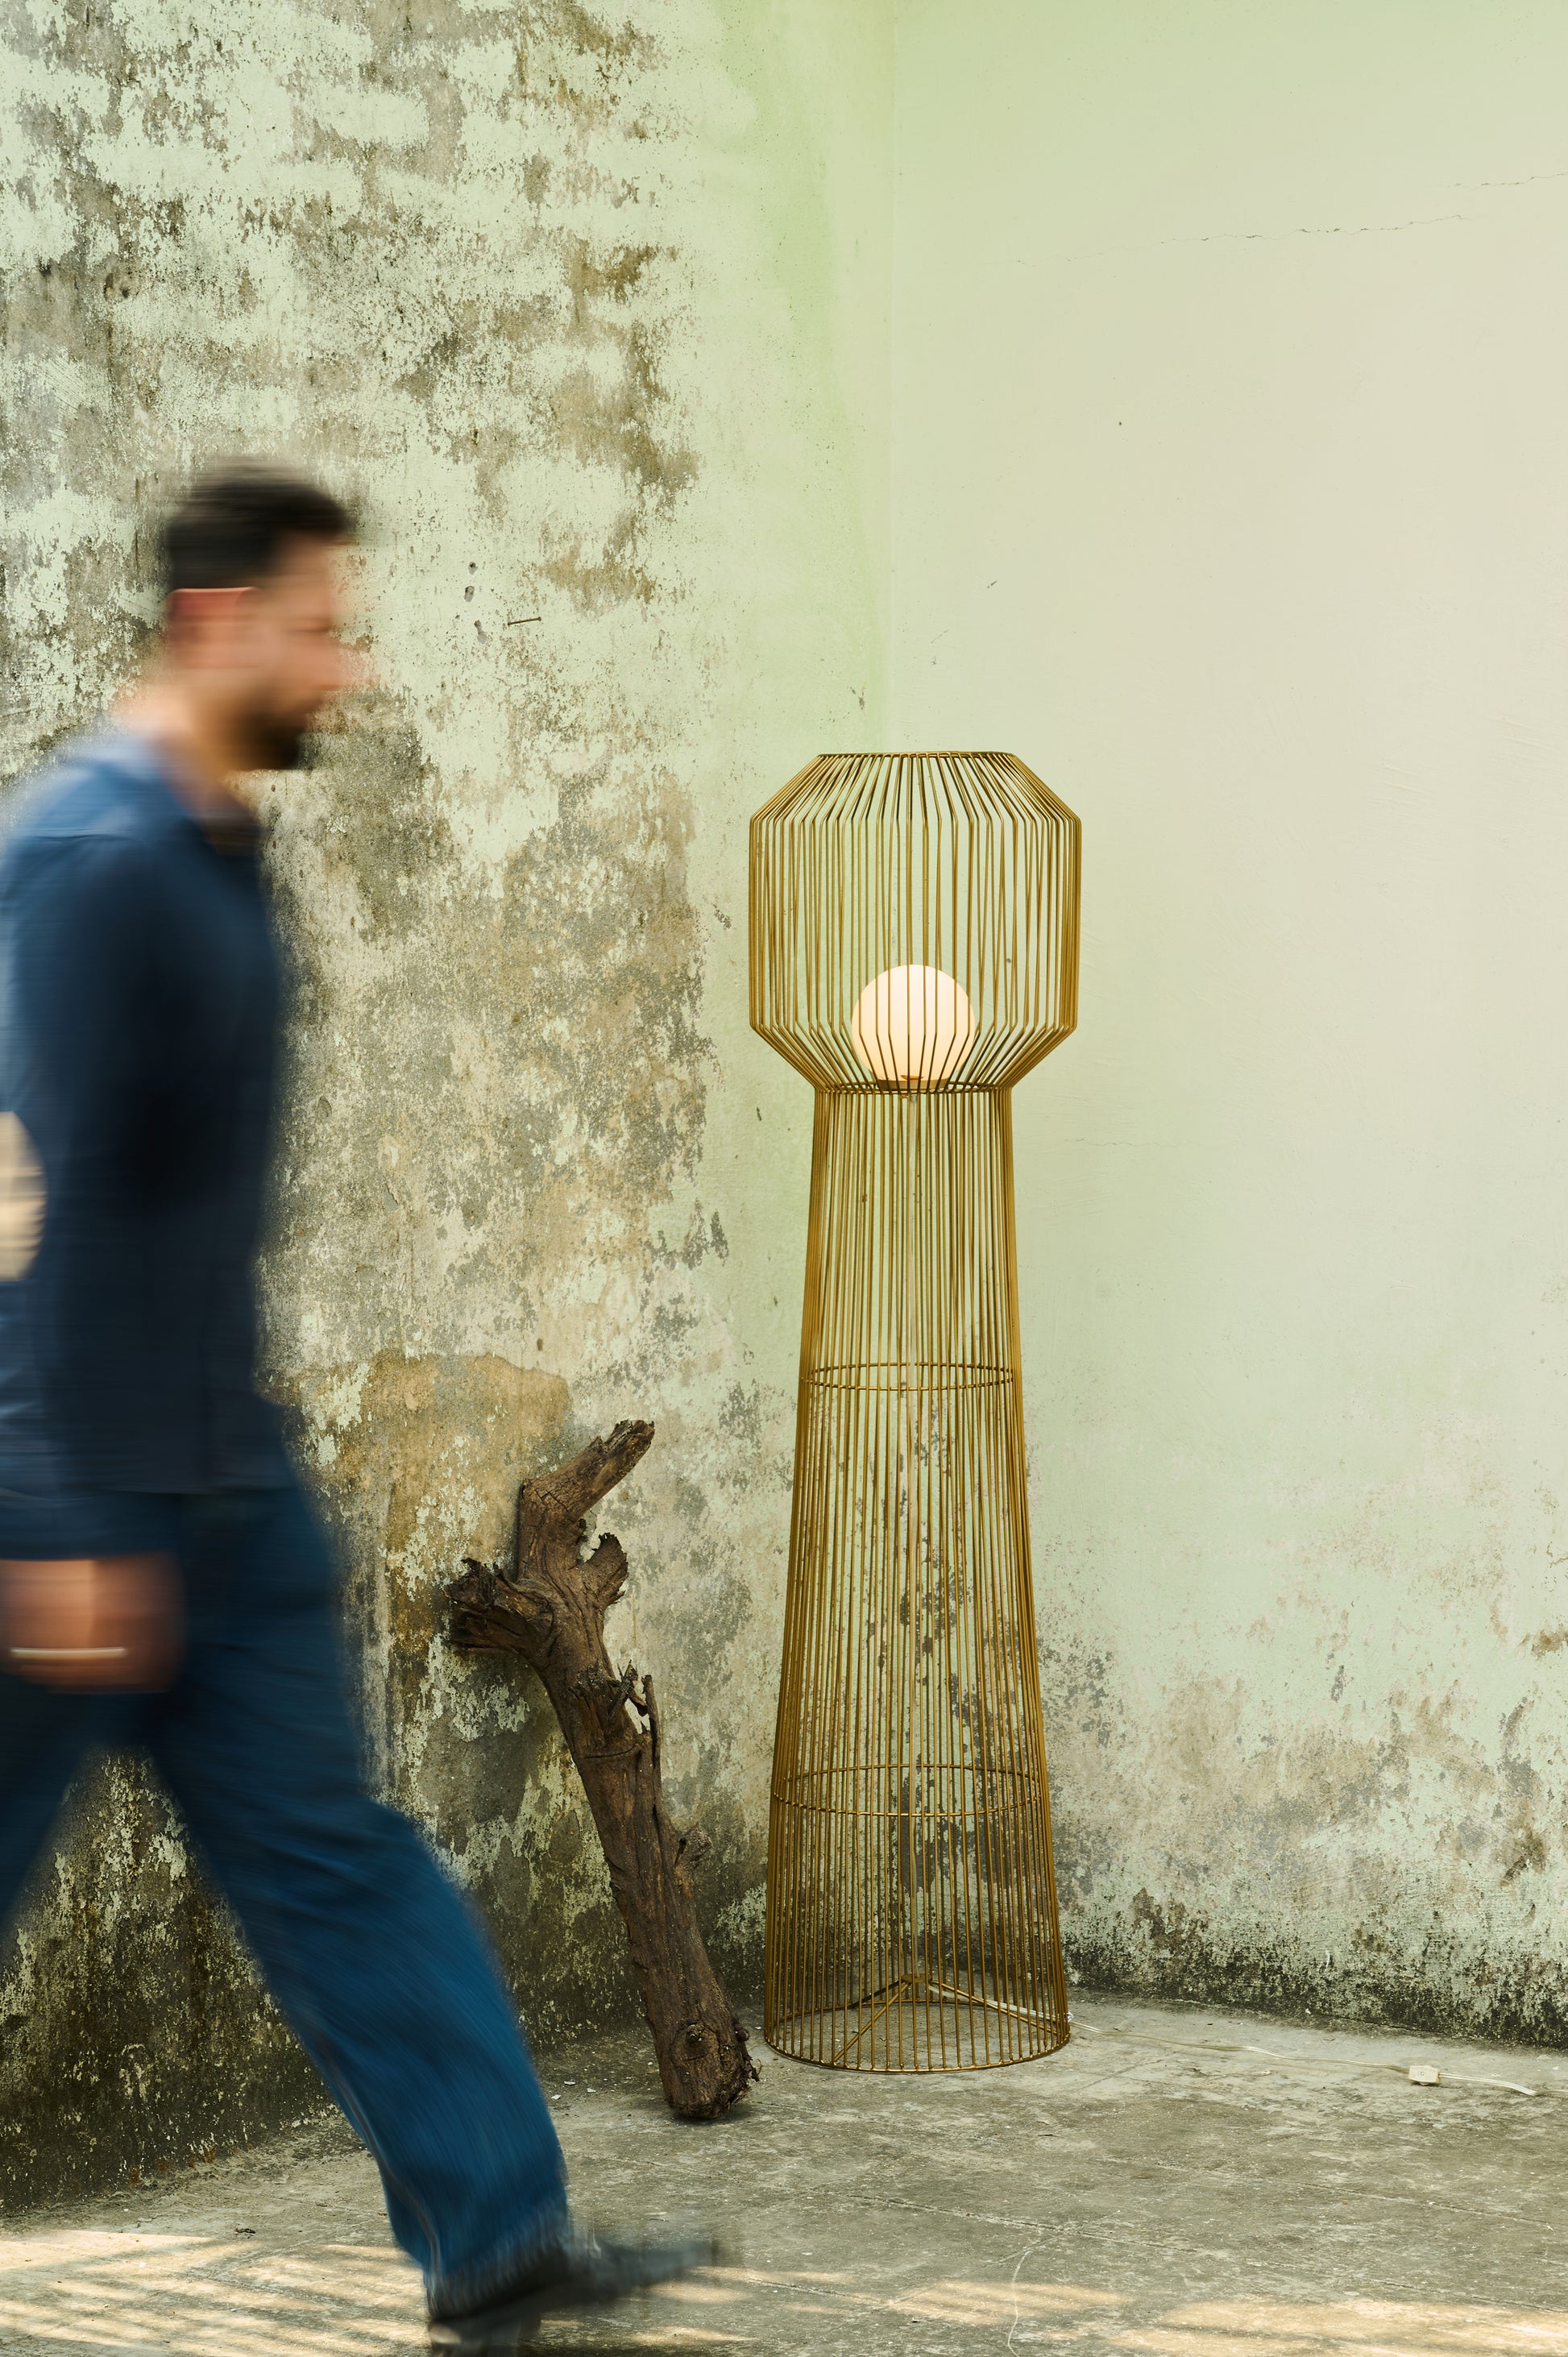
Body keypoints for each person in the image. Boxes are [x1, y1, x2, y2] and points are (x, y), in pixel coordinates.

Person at [0, 463, 714, 2354]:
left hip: (220, 1499)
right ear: (212, 623)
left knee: (337, 1857)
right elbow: (24, 1188)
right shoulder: (86, 856)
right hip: (63, 1498)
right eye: (319, 624)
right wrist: (63, 1517)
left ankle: (497, 2240)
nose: (350, 665)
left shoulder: (214, 846)